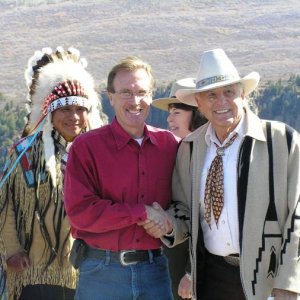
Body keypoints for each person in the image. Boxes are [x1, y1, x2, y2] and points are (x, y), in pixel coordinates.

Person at [161, 48, 300, 300]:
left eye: (229, 92)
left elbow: (298, 214)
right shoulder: (190, 148)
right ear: (199, 103)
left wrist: (289, 282)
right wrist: (166, 223)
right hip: (210, 277)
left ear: (243, 93)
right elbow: (182, 208)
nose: (221, 102)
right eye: (211, 96)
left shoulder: (282, 141)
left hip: (268, 280)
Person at [64, 56, 179, 300]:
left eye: (142, 92)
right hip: (101, 274)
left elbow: (184, 203)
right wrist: (142, 212)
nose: (135, 101)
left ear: (151, 96)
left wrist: (169, 222)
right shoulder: (86, 147)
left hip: (156, 272)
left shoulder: (170, 145)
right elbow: (81, 212)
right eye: (126, 92)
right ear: (111, 96)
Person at [0, 46, 108, 300]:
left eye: (80, 109)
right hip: (35, 269)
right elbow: (5, 205)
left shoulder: (102, 154)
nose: (74, 117)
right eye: (65, 110)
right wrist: (12, 251)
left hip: (90, 269)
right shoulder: (25, 153)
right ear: (51, 113)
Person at [152, 78, 207, 300]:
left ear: (196, 113)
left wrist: (192, 272)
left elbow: (207, 221)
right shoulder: (184, 149)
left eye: (176, 112)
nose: (169, 118)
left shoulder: (204, 153)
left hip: (196, 268)